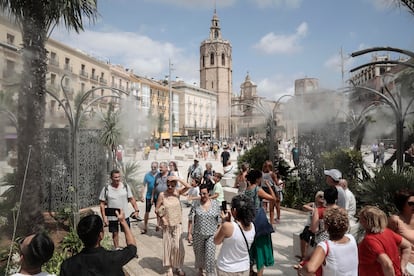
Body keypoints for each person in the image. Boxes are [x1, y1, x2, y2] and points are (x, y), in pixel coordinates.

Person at [60, 210, 137, 276]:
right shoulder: (114, 258)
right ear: (101, 235)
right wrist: (123, 221)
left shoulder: (68, 265)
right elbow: (132, 248)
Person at [299, 207, 358, 276]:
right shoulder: (351, 238)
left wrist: (301, 270)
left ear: (326, 226)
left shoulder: (325, 246)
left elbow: (309, 269)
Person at [358, 205, 411, 276]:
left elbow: (387, 263)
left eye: (361, 218)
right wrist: (403, 266)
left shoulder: (370, 240)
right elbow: (407, 246)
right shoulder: (388, 232)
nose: (359, 221)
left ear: (367, 221)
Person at [155, 175, 191, 276]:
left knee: (178, 247)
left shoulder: (177, 192)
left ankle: (178, 266)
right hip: (167, 225)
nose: (170, 187)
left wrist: (178, 179)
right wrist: (162, 219)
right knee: (168, 246)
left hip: (177, 223)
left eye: (172, 185)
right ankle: (169, 268)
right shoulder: (162, 195)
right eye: (168, 185)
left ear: (175, 185)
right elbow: (157, 209)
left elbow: (188, 187)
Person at [244, 169, 277, 276]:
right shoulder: (257, 190)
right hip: (260, 222)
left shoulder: (247, 190)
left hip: (249, 220)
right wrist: (269, 186)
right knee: (261, 249)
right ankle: (259, 273)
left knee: (251, 247)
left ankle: (250, 271)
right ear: (258, 179)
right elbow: (273, 198)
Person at [215, 194, 256, 276]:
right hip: (244, 268)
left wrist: (223, 222)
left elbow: (216, 240)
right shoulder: (252, 226)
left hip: (227, 269)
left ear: (234, 210)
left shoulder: (227, 226)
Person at [99, 169, 140, 249]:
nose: (117, 179)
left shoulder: (125, 186)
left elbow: (131, 199)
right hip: (112, 216)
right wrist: (104, 218)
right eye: (115, 177)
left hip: (124, 215)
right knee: (115, 233)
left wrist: (136, 210)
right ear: (111, 178)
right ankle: (117, 249)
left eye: (118, 177)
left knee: (128, 233)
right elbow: (102, 204)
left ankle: (131, 249)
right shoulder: (106, 188)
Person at [191, 184, 221, 276]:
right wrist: (189, 233)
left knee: (210, 256)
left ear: (209, 193)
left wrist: (219, 234)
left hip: (211, 235)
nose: (202, 196)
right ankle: (200, 270)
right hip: (198, 233)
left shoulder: (215, 204)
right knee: (199, 254)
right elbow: (190, 218)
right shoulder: (196, 203)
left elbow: (219, 220)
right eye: (201, 194)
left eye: (204, 194)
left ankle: (210, 273)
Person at [388, 189, 414, 274]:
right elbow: (388, 243)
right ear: (402, 204)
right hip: (406, 265)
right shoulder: (395, 220)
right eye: (411, 204)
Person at [298, 191, 325, 262]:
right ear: (316, 197)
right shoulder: (313, 204)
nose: (322, 198)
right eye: (320, 196)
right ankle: (303, 256)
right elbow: (304, 207)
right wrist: (313, 210)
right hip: (310, 225)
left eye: (323, 196)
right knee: (304, 236)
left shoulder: (324, 206)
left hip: (320, 227)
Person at [140, 161, 158, 234]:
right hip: (149, 195)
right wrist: (141, 195)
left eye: (155, 167)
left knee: (159, 212)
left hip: (158, 196)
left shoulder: (159, 175)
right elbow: (143, 185)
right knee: (147, 211)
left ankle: (159, 225)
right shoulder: (147, 175)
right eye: (152, 167)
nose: (153, 168)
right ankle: (145, 226)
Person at [152, 162, 171, 232]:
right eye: (159, 167)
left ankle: (166, 228)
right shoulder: (157, 175)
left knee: (166, 213)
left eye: (161, 167)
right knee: (158, 212)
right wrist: (152, 197)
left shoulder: (170, 175)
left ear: (166, 168)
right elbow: (154, 186)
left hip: (167, 198)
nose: (160, 169)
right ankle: (159, 224)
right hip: (158, 198)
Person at [261, 160, 280, 224]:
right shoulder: (272, 174)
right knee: (272, 208)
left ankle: (264, 221)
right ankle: (272, 222)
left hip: (263, 189)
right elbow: (276, 183)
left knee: (264, 208)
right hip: (271, 189)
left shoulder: (261, 173)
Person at [186, 177, 201, 244]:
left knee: (193, 221)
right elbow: (188, 193)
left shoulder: (197, 189)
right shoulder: (192, 188)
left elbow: (199, 197)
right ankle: (189, 234)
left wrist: (192, 198)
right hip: (193, 206)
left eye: (193, 181)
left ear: (197, 183)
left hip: (196, 207)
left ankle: (192, 235)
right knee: (190, 220)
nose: (191, 182)